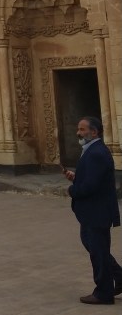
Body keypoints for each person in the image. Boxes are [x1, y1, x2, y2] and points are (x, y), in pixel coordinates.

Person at [63, 116, 122, 304]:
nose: (78, 133)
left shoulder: (96, 152)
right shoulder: (92, 150)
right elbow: (92, 178)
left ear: (94, 132)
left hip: (96, 211)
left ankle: (103, 293)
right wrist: (76, 178)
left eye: (82, 129)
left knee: (98, 251)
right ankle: (119, 277)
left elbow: (90, 186)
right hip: (94, 211)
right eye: (78, 129)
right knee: (97, 248)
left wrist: (72, 190)